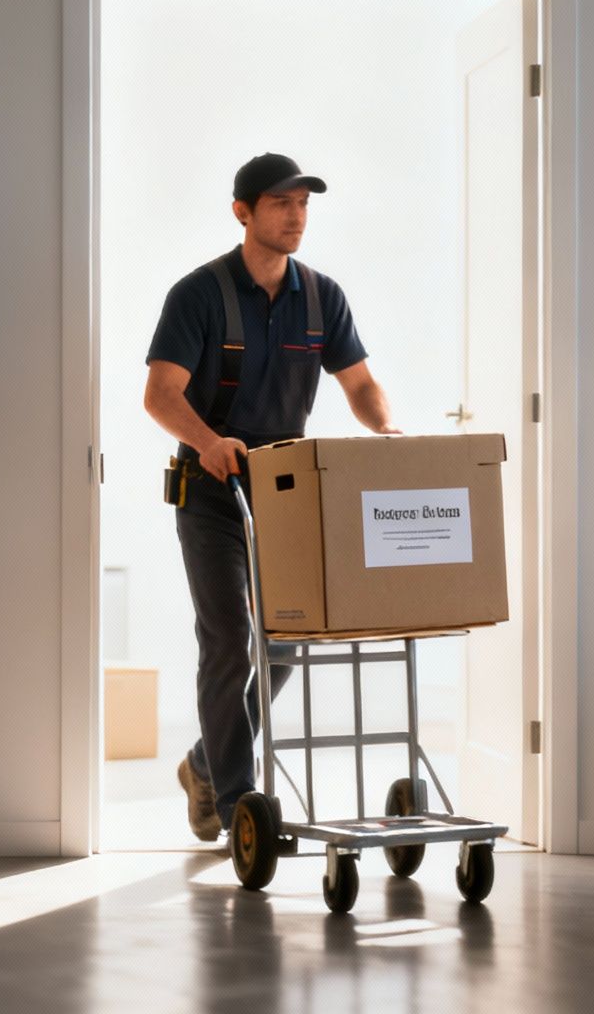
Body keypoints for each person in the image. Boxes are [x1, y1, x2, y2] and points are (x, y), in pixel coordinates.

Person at [143, 152, 400, 841]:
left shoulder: (322, 296)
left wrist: (385, 427)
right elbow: (160, 394)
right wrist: (207, 440)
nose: (295, 216)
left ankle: (203, 762)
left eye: (304, 204)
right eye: (281, 204)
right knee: (228, 640)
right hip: (213, 487)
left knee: (284, 642)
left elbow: (359, 384)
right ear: (243, 212)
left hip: (285, 491)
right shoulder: (198, 295)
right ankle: (236, 803)